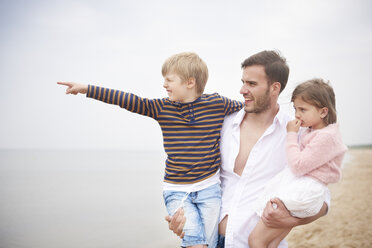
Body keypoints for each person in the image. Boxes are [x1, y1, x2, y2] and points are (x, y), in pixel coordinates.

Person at [57, 52, 243, 248]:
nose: (164, 85)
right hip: (177, 191)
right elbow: (128, 100)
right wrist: (87, 89)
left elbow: (248, 108)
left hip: (209, 189)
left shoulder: (217, 104)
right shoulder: (162, 108)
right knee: (196, 244)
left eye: (169, 80)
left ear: (190, 83)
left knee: (212, 244)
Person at [166, 50, 331, 248]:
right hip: (207, 242)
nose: (242, 90)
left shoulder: (297, 134)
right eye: (243, 82)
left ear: (274, 88)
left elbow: (322, 200)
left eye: (252, 84)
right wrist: (184, 217)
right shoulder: (223, 123)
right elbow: (195, 177)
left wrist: (291, 220)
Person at [248, 78, 347, 248]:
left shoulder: (326, 137)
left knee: (255, 240)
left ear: (323, 112)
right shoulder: (314, 131)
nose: (297, 114)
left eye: (302, 109)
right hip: (301, 187)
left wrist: (291, 135)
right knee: (272, 242)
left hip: (302, 190)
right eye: (295, 108)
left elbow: (298, 165)